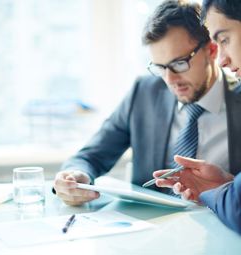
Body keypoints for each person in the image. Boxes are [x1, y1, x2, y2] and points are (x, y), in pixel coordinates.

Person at [53, 0, 241, 206]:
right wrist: (74, 177)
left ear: (211, 51)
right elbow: (92, 155)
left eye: (179, 63)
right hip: (150, 227)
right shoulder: (144, 93)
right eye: (161, 67)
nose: (170, 80)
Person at [154, 0, 241, 235]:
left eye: (224, 39)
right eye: (161, 67)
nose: (223, 60)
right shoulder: (145, 93)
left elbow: (238, 209)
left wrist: (221, 193)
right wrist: (229, 186)